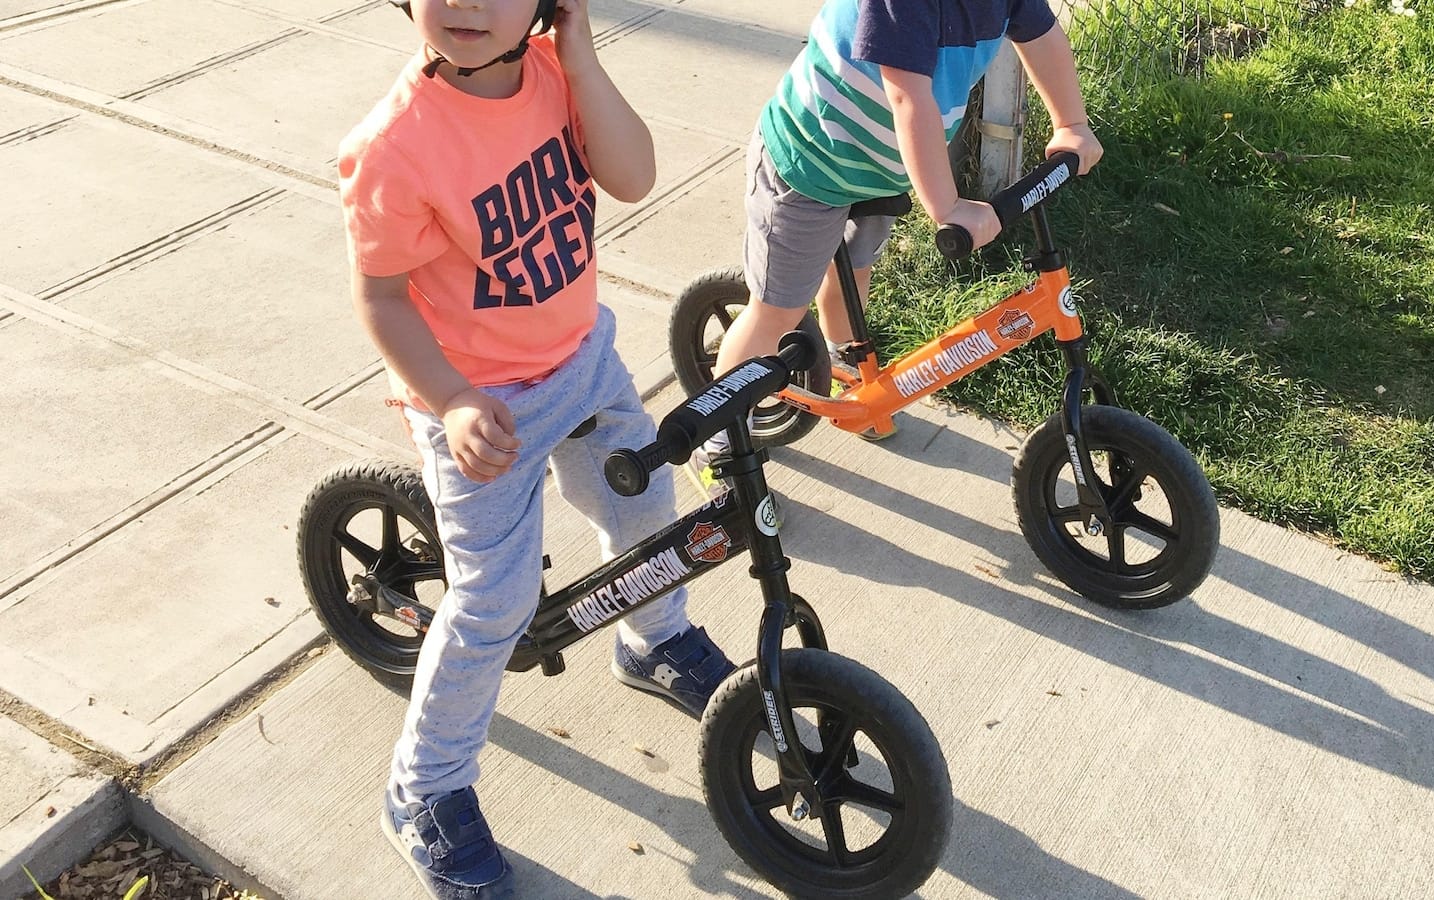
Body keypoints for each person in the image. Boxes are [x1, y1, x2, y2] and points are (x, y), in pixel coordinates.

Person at [337, 1, 735, 895]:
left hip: (583, 357)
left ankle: (652, 638)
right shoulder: (395, 145)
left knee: (645, 506)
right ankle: (423, 787)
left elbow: (633, 176)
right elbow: (384, 298)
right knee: (497, 599)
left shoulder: (557, 77)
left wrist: (582, 53)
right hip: (483, 406)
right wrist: (450, 399)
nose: (470, 5)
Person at [692, 0, 1106, 493]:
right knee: (776, 313)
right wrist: (947, 207)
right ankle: (715, 444)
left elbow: (1042, 37)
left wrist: (1071, 124)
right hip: (809, 164)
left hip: (879, 169)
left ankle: (843, 364)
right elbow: (907, 96)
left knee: (855, 271)